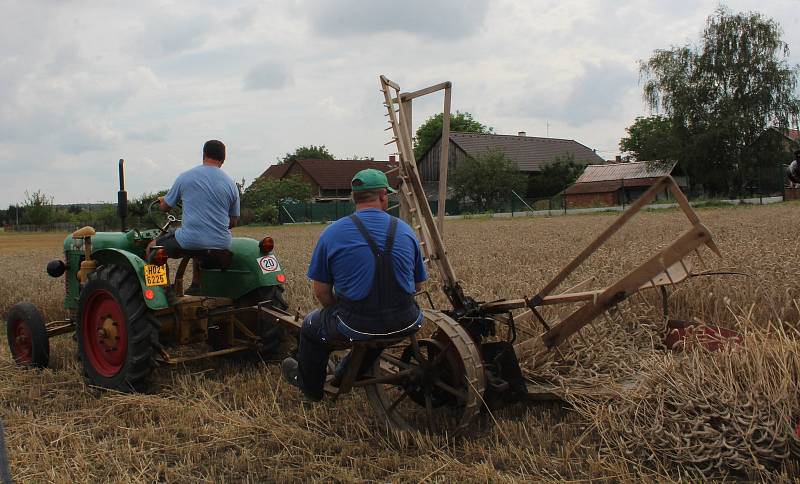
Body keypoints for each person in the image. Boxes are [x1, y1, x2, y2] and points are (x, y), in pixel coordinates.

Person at [281, 168, 428, 402]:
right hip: (407, 321)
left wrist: (338, 310)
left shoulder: (332, 233)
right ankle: (348, 372)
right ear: (382, 196)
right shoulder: (405, 230)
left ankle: (311, 389)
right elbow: (419, 285)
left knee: (310, 327)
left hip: (357, 323)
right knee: (378, 331)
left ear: (353, 198)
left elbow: (321, 292)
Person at [147, 140, 240, 289]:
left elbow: (164, 208)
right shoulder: (231, 184)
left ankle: (161, 290)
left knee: (152, 248)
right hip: (222, 243)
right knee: (198, 250)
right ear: (223, 159)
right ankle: (196, 287)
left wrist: (162, 200)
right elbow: (233, 222)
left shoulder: (185, 177)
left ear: (204, 155)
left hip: (190, 241)